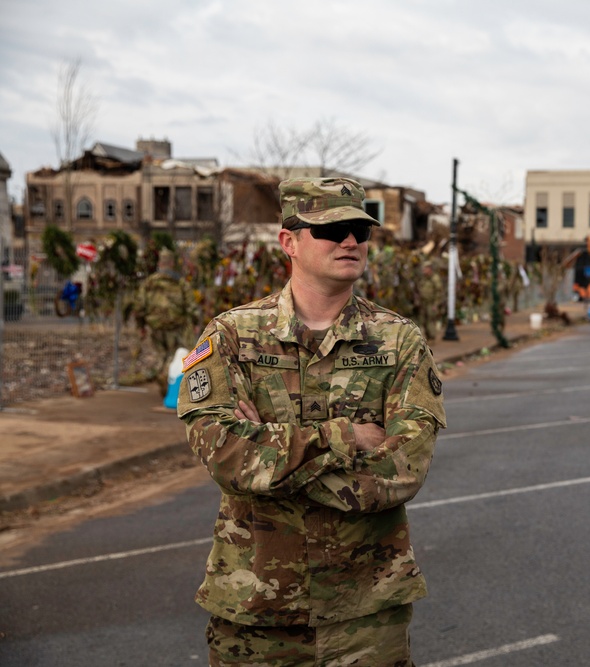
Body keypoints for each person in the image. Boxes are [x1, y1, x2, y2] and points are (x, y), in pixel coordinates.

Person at [177, 177, 446, 666]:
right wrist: (346, 437)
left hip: (365, 615)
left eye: (360, 231)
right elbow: (227, 458)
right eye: (332, 229)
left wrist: (272, 457)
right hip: (256, 611)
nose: (350, 241)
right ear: (289, 242)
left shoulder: (399, 341)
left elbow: (403, 470)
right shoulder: (232, 336)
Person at [133, 249, 197, 395]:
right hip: (176, 326)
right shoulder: (180, 283)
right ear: (173, 263)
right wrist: (194, 322)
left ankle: (163, 380)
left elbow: (139, 306)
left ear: (160, 263)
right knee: (176, 355)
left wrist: (141, 325)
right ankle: (170, 383)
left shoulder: (148, 283)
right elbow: (191, 306)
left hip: (155, 326)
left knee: (160, 355)